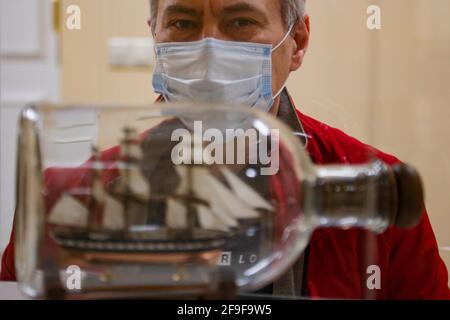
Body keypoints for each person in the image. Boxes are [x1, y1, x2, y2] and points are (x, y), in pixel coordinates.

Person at [2, 0, 449, 299]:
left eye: (241, 21)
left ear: (298, 42)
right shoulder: (68, 197)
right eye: (183, 22)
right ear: (154, 37)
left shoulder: (378, 194)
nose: (209, 47)